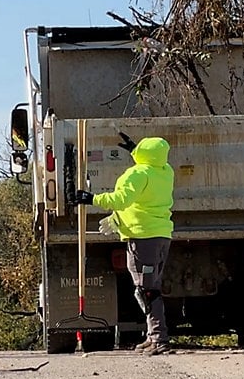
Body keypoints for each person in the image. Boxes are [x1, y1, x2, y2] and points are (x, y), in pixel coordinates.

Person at [73, 136, 175, 356]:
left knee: (146, 291)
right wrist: (135, 151)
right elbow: (149, 171)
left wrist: (92, 199)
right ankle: (152, 335)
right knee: (151, 286)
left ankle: (159, 338)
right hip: (160, 235)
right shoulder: (165, 171)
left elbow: (121, 200)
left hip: (142, 237)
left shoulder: (139, 174)